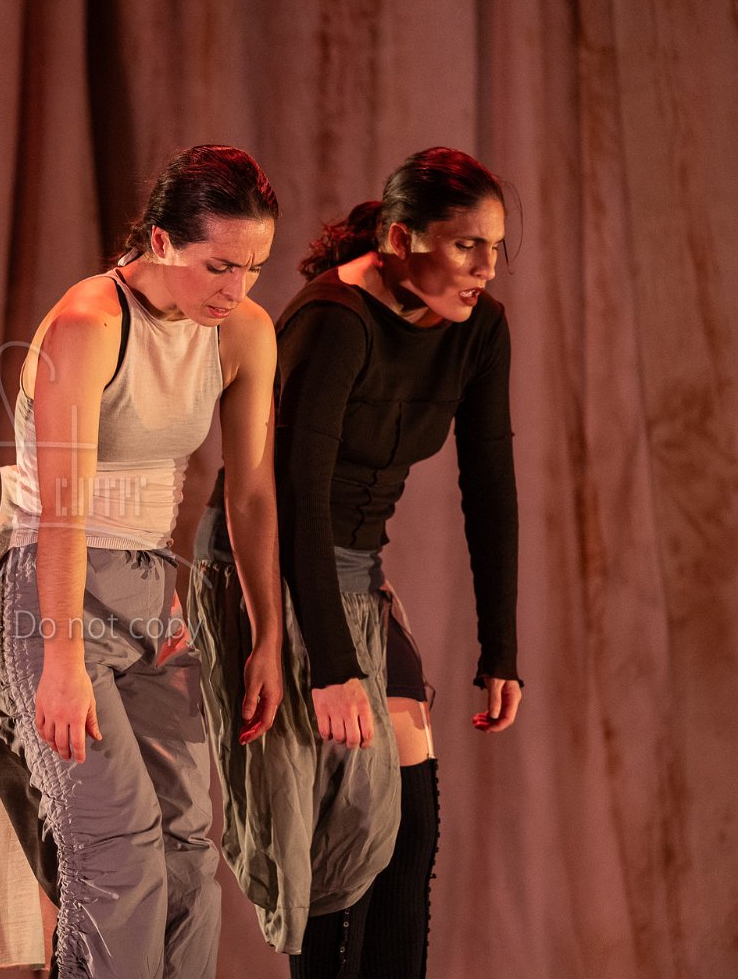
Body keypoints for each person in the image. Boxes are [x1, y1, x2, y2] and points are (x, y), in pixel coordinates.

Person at [0, 145, 285, 979]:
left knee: (188, 848)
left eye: (254, 268)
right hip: (50, 591)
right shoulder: (89, 323)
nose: (237, 289)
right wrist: (60, 661)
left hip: (151, 593)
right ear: (162, 241)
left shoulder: (243, 331)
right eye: (220, 266)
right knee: (116, 852)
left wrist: (267, 634)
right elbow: (62, 510)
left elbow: (251, 495)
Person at [191, 146, 522, 978]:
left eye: (494, 248)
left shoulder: (479, 329)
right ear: (402, 238)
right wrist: (332, 667)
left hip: (357, 576)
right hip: (269, 567)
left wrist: (501, 648)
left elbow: (490, 483)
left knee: (406, 827)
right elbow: (294, 496)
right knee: (341, 833)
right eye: (465, 246)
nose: (484, 268)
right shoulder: (333, 321)